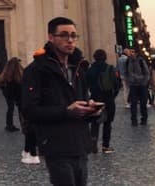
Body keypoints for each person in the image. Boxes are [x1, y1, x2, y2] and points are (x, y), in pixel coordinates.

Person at [22, 17, 100, 185]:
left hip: (79, 144)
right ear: (51, 37)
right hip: (56, 145)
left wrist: (91, 110)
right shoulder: (36, 70)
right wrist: (66, 111)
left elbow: (81, 102)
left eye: (73, 35)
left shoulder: (79, 68)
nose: (70, 40)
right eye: (64, 35)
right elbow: (29, 111)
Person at [86, 49, 119, 154]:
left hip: (95, 98)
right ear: (105, 57)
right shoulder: (109, 68)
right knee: (107, 123)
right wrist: (113, 96)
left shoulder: (90, 70)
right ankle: (105, 146)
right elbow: (117, 84)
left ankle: (93, 144)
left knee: (95, 122)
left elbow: (86, 84)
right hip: (108, 98)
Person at [0, 57, 22, 132]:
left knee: (10, 108)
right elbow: (20, 84)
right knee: (20, 109)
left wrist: (4, 90)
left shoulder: (6, 72)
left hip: (8, 94)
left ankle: (9, 125)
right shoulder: (18, 73)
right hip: (16, 93)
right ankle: (23, 124)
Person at [125, 49, 149, 126]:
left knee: (143, 103)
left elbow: (147, 73)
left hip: (142, 85)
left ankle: (144, 119)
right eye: (131, 51)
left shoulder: (141, 61)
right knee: (133, 103)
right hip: (133, 85)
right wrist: (129, 80)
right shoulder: (128, 61)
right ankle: (134, 120)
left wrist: (144, 82)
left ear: (136, 53)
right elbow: (126, 72)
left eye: (133, 52)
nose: (131, 53)